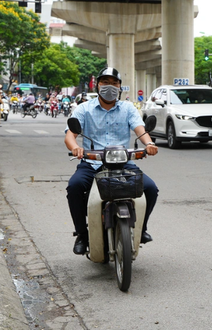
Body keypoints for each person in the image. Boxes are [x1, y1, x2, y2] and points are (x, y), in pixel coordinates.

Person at [65, 67, 159, 255]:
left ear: (120, 87)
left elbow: (140, 129)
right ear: (98, 85)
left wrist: (149, 143)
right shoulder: (85, 108)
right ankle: (82, 234)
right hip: (92, 162)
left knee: (150, 188)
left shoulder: (127, 108)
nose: (110, 87)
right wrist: (75, 147)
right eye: (105, 82)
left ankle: (142, 228)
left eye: (114, 83)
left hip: (123, 162)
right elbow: (70, 135)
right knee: (74, 187)